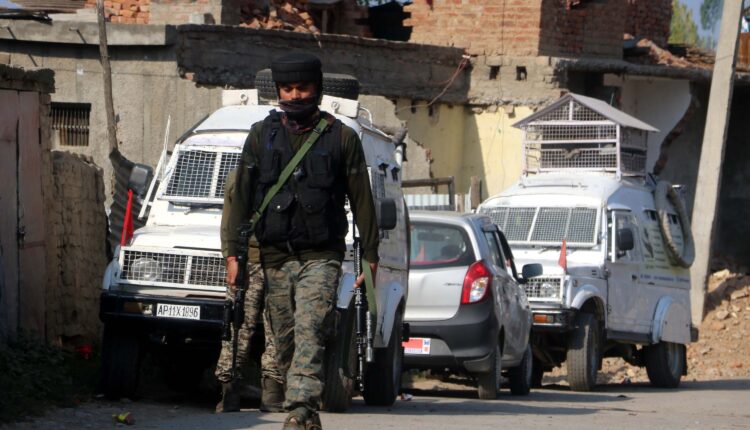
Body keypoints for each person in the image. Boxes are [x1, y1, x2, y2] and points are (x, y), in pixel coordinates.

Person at [225, 53, 379, 430]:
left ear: (318, 90)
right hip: (274, 256)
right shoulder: (260, 136)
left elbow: (363, 200)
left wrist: (371, 257)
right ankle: (306, 412)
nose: (295, 95)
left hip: (321, 255)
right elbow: (239, 196)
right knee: (285, 339)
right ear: (278, 91)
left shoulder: (342, 137)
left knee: (311, 327)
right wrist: (232, 254)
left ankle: (300, 408)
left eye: (303, 88)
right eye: (287, 89)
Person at [215, 169, 285, 413]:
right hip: (260, 260)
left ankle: (265, 390)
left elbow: (227, 223)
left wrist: (230, 256)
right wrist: (231, 257)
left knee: (254, 325)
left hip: (272, 260)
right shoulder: (242, 175)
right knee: (241, 324)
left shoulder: (241, 173)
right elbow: (229, 220)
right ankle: (236, 390)